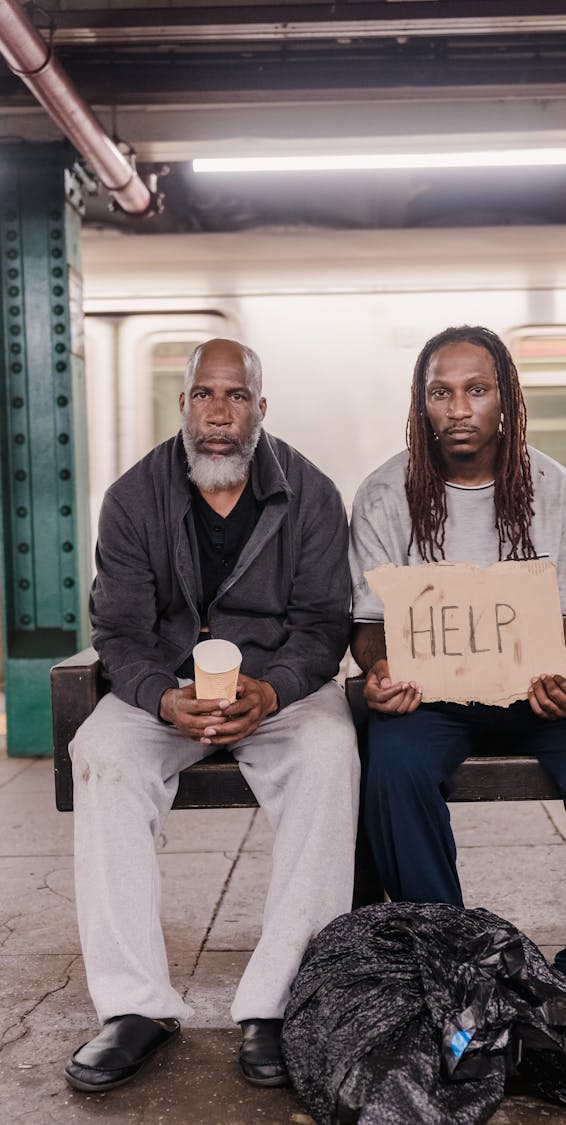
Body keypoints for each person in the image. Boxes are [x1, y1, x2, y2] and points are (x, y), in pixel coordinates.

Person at [65, 338, 359, 1092]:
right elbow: (121, 632)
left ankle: (278, 1003)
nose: (218, 414)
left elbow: (325, 623)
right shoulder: (133, 498)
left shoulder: (312, 494)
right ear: (183, 404)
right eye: (203, 395)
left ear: (260, 407)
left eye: (235, 397)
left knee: (330, 752)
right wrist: (162, 695)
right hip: (167, 690)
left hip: (274, 692)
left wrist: (276, 687)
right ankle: (135, 1008)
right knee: (103, 753)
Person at [349, 324, 566, 1016]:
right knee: (392, 765)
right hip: (431, 696)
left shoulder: (555, 488)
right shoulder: (383, 493)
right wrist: (379, 670)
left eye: (476, 389)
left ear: (506, 399)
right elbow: (368, 629)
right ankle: (461, 978)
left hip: (531, 687)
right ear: (421, 403)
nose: (458, 408)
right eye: (441, 392)